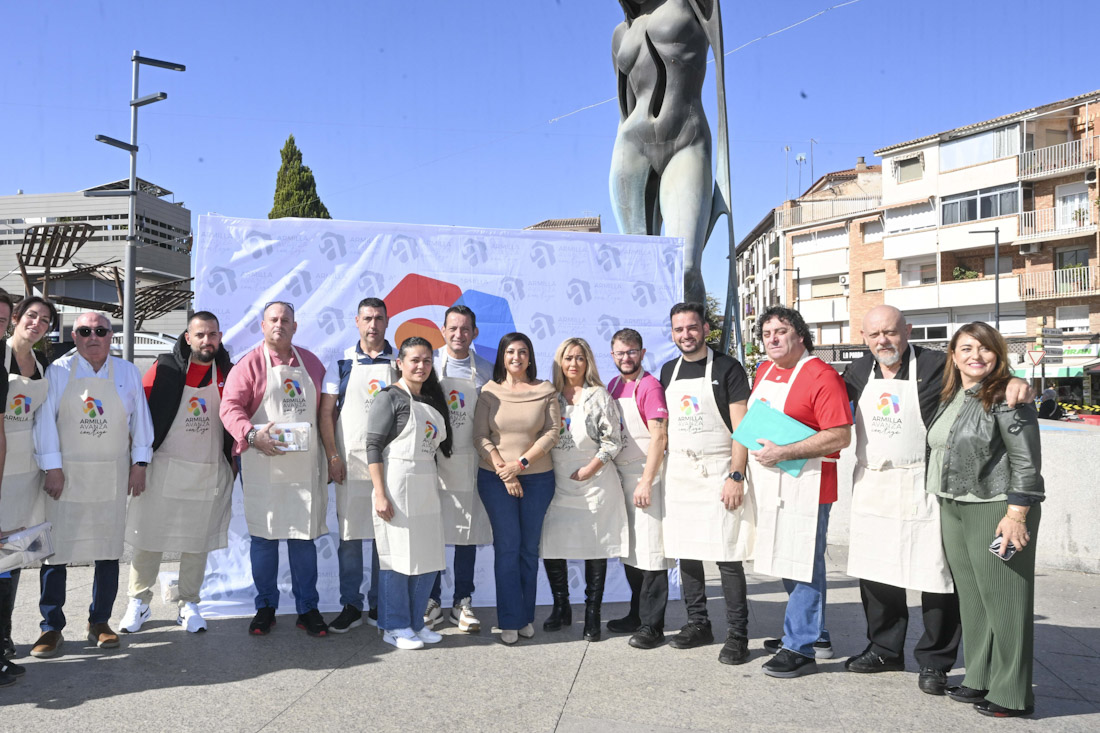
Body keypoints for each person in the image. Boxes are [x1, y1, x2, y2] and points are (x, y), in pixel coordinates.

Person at [840, 306, 1032, 694]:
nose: (883, 341)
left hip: (922, 483)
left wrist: (1017, 381)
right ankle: (884, 649)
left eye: (891, 332)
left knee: (937, 576)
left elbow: (981, 371)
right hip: (874, 481)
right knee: (876, 573)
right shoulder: (857, 373)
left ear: (907, 331)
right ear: (863, 337)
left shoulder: (935, 364)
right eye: (874, 334)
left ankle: (936, 661)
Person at [927, 322, 1044, 718]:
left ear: (997, 353)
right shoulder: (954, 394)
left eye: (984, 348)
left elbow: (1027, 462)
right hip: (954, 506)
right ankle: (980, 676)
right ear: (954, 356)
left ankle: (1012, 693)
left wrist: (1017, 514)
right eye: (965, 348)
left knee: (1006, 599)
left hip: (997, 509)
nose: (975, 355)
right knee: (974, 599)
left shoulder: (1006, 395)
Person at [31, 312, 154, 658]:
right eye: (85, 331)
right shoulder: (58, 372)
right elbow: (45, 424)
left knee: (108, 550)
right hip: (66, 476)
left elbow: (141, 421)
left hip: (111, 476)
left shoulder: (127, 371)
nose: (93, 337)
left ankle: (99, 622)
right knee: (56, 551)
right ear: (75, 336)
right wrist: (52, 467)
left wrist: (140, 464)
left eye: (100, 331)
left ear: (110, 336)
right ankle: (51, 627)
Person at [748, 306, 852, 678]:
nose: (773, 339)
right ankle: (815, 632)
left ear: (800, 336)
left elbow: (840, 434)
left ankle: (800, 646)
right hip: (773, 479)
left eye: (781, 331)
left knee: (804, 559)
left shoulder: (822, 376)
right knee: (786, 556)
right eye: (767, 334)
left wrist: (785, 452)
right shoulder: (764, 371)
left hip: (810, 482)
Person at [120, 312, 235, 634]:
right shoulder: (164, 368)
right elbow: (139, 419)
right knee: (148, 536)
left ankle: (189, 603)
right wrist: (138, 464)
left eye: (212, 334)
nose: (206, 341)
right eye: (200, 334)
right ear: (187, 337)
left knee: (196, 542)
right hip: (163, 467)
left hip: (208, 468)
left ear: (220, 336)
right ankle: (139, 601)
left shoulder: (228, 372)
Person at [219, 301, 329, 637]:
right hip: (263, 464)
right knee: (264, 541)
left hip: (304, 468)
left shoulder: (311, 363)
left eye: (285, 320)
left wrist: (334, 456)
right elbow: (230, 407)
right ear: (262, 326)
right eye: (273, 319)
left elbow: (327, 413)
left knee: (303, 541)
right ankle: (265, 606)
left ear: (295, 326)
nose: (279, 325)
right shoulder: (249, 364)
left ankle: (307, 609)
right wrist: (251, 435)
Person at [659, 302, 754, 665]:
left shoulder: (728, 368)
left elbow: (741, 428)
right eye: (679, 329)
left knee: (727, 555)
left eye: (692, 328)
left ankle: (738, 634)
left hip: (718, 472)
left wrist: (736, 475)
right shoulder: (669, 371)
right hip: (682, 473)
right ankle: (698, 622)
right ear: (672, 333)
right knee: (688, 551)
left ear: (705, 328)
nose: (686, 335)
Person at [473, 333, 560, 645]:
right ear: (502, 356)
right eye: (510, 351)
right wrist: (504, 469)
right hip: (495, 480)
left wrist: (520, 464)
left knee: (528, 549)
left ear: (530, 357)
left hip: (537, 479)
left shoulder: (545, 390)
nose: (516, 357)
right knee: (508, 546)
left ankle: (525, 616)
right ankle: (509, 620)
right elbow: (480, 436)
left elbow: (552, 431)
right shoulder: (489, 391)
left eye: (523, 352)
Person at [367, 337, 452, 649]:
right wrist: (380, 493)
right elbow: (373, 446)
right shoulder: (388, 398)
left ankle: (416, 623)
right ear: (399, 363)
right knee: (397, 559)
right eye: (414, 360)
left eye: (427, 360)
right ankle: (394, 626)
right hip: (396, 486)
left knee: (427, 558)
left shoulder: (431, 403)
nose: (421, 366)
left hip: (426, 486)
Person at [540, 337, 626, 642]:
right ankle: (561, 606)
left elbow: (613, 441)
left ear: (587, 361)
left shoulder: (599, 396)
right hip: (558, 483)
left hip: (594, 483)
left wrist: (590, 468)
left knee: (595, 548)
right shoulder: (549, 396)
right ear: (559, 363)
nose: (573, 364)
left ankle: (592, 614)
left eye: (579, 358)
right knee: (551, 545)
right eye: (568, 358)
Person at [319, 297, 396, 633]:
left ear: (387, 321)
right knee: (350, 538)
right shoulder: (341, 365)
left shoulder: (401, 362)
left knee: (386, 537)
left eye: (379, 318)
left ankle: (380, 604)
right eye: (367, 318)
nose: (373, 325)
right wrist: (333, 457)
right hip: (350, 463)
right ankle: (351, 604)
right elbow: (326, 414)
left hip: (391, 465)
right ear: (356, 321)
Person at [426, 305, 494, 633]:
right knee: (434, 532)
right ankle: (431, 600)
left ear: (475, 333)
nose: (458, 335)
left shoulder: (486, 369)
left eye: (465, 329)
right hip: (434, 461)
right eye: (453, 328)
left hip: (470, 462)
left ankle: (462, 601)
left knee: (467, 533)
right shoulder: (429, 364)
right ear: (442, 330)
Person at [605, 329, 671, 649]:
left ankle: (653, 626)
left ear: (642, 354)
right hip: (621, 478)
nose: (626, 358)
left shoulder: (651, 386)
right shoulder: (614, 386)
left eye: (631, 352)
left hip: (648, 476)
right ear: (612, 355)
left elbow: (659, 437)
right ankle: (636, 614)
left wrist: (647, 480)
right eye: (620, 353)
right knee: (631, 552)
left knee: (652, 554)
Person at [0, 296, 55, 664]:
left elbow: (43, 421)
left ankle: (4, 636)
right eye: (31, 316)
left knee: (14, 555)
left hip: (27, 473)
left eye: (45, 320)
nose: (37, 323)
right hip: (1, 468)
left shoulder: (41, 364)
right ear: (15, 319)